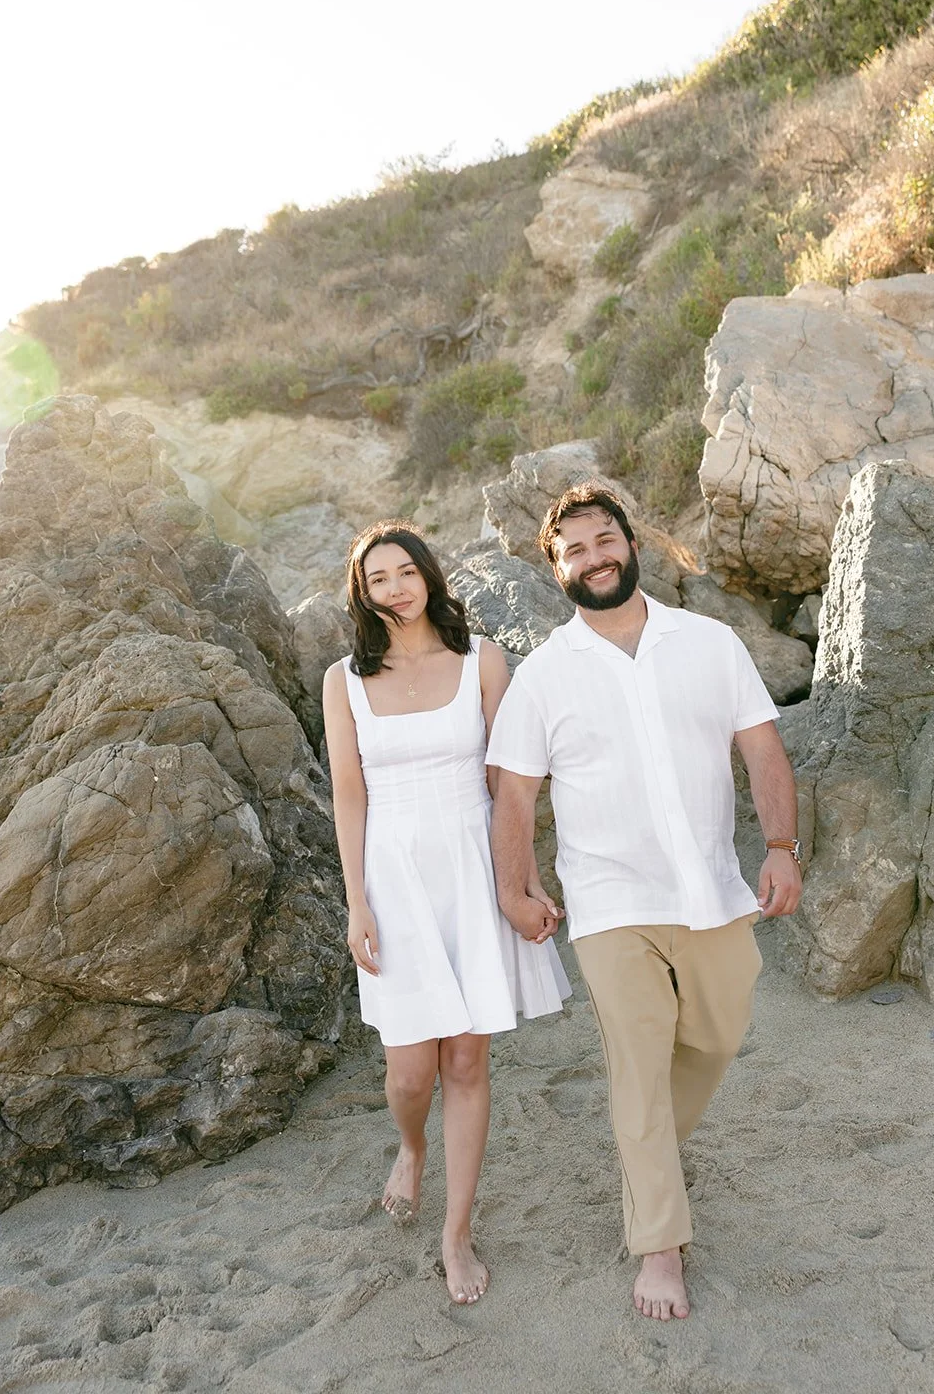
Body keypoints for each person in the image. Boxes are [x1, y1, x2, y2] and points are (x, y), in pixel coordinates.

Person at [487, 485, 802, 1322]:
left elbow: (761, 747)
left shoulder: (709, 642)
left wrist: (779, 848)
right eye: (573, 551)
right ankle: (659, 1245)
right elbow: (512, 795)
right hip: (608, 900)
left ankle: (647, 1154)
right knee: (636, 1060)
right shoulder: (544, 674)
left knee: (717, 1034)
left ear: (632, 543)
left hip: (711, 888)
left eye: (603, 540)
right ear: (555, 570)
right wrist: (514, 888)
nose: (593, 558)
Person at [322, 520, 570, 1306]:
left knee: (465, 1061)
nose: (395, 588)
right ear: (363, 594)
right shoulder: (344, 680)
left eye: (405, 572)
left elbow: (513, 786)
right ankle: (409, 1147)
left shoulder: (482, 662)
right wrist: (355, 900)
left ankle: (455, 1232)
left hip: (470, 870)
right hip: (392, 877)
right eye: (378, 579)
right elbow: (348, 794)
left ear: (427, 575)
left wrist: (521, 885)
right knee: (409, 1070)